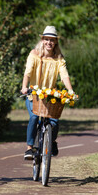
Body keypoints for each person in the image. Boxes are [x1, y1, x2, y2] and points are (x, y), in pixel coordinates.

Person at [21, 26, 74, 160]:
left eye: (52, 40)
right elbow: (28, 72)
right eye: (46, 39)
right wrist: (24, 87)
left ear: (56, 42)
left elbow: (64, 75)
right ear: (42, 40)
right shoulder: (34, 54)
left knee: (54, 121)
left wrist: (70, 90)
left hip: (50, 95)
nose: (49, 42)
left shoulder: (58, 58)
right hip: (34, 94)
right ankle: (29, 148)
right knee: (34, 117)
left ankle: (52, 141)